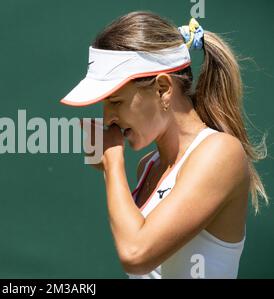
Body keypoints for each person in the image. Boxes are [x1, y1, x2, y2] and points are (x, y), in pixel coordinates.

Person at [60, 11, 268, 278]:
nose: (108, 118)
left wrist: (112, 162)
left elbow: (135, 255)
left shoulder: (220, 153)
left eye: (116, 102)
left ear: (162, 89)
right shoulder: (148, 166)